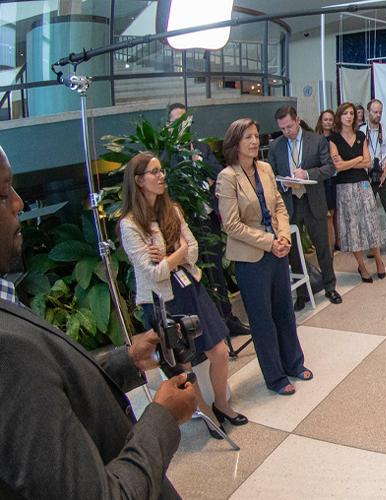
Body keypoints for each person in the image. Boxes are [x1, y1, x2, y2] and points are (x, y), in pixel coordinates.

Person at [0, 145, 198, 498]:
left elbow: (53, 389)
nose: (19, 203)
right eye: (4, 193)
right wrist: (162, 418)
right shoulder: (7, 352)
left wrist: (123, 362)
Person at [119, 152, 250, 440]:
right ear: (139, 181)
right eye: (154, 172)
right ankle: (207, 414)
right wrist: (175, 255)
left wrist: (169, 256)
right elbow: (154, 275)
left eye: (161, 170)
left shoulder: (172, 211)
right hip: (163, 301)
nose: (161, 176)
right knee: (184, 365)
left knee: (219, 351)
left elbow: (192, 250)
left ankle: (222, 403)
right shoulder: (130, 225)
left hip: (191, 289)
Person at [217, 118, 314, 396]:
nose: (253, 141)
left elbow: (279, 206)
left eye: (256, 136)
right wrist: (269, 242)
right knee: (263, 319)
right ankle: (274, 376)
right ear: (235, 142)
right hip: (251, 258)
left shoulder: (265, 168)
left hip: (277, 249)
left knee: (285, 310)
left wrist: (283, 237)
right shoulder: (228, 177)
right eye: (247, 136)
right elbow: (231, 225)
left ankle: (294, 363)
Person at [166, 103, 252, 338]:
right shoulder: (167, 155)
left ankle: (228, 320)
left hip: (208, 220)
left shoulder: (201, 148)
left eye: (185, 121)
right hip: (186, 227)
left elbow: (217, 174)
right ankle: (204, 329)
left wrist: (203, 176)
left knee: (216, 272)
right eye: (176, 121)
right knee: (195, 277)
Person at [268, 106, 342, 309]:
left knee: (322, 246)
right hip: (290, 204)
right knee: (294, 252)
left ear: (297, 120)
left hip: (313, 201)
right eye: (282, 128)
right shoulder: (276, 146)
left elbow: (330, 168)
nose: (286, 132)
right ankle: (302, 292)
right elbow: (271, 175)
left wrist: (307, 174)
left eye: (289, 127)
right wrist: (283, 183)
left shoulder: (316, 140)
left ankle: (329, 286)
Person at [328, 102, 386, 282]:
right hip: (344, 187)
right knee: (352, 227)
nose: (349, 116)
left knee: (370, 223)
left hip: (363, 184)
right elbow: (337, 166)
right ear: (340, 116)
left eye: (352, 113)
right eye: (345, 113)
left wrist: (351, 162)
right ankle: (361, 266)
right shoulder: (333, 139)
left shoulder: (361, 135)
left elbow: (368, 163)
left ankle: (378, 260)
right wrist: (357, 159)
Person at [362, 98, 386, 258]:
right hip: (366, 176)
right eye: (375, 112)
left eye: (380, 112)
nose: (378, 115)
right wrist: (366, 173)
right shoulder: (360, 131)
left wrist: (384, 175)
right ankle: (373, 245)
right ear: (368, 112)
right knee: (369, 213)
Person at [316, 109, 339, 251]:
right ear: (321, 121)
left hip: (336, 177)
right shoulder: (316, 139)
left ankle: (338, 242)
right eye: (326, 119)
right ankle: (330, 246)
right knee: (328, 214)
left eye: (331, 119)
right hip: (323, 179)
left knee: (336, 213)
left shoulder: (337, 138)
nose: (328, 122)